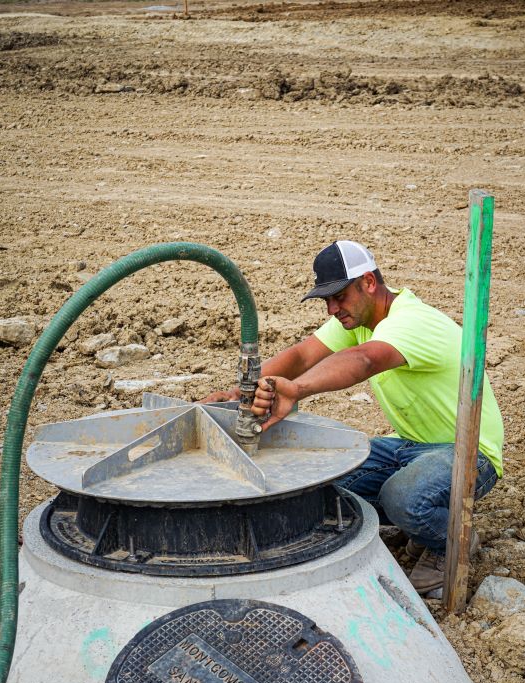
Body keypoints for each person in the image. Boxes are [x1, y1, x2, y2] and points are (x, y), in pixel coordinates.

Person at [203, 240, 503, 595]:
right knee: (326, 482)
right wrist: (242, 392)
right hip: (412, 446)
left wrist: (296, 391)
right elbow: (302, 355)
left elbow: (365, 360)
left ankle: (448, 540)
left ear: (369, 283)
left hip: (469, 453)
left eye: (339, 296)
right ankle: (419, 525)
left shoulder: (411, 320)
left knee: (403, 498)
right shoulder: (359, 318)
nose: (332, 308)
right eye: (326, 300)